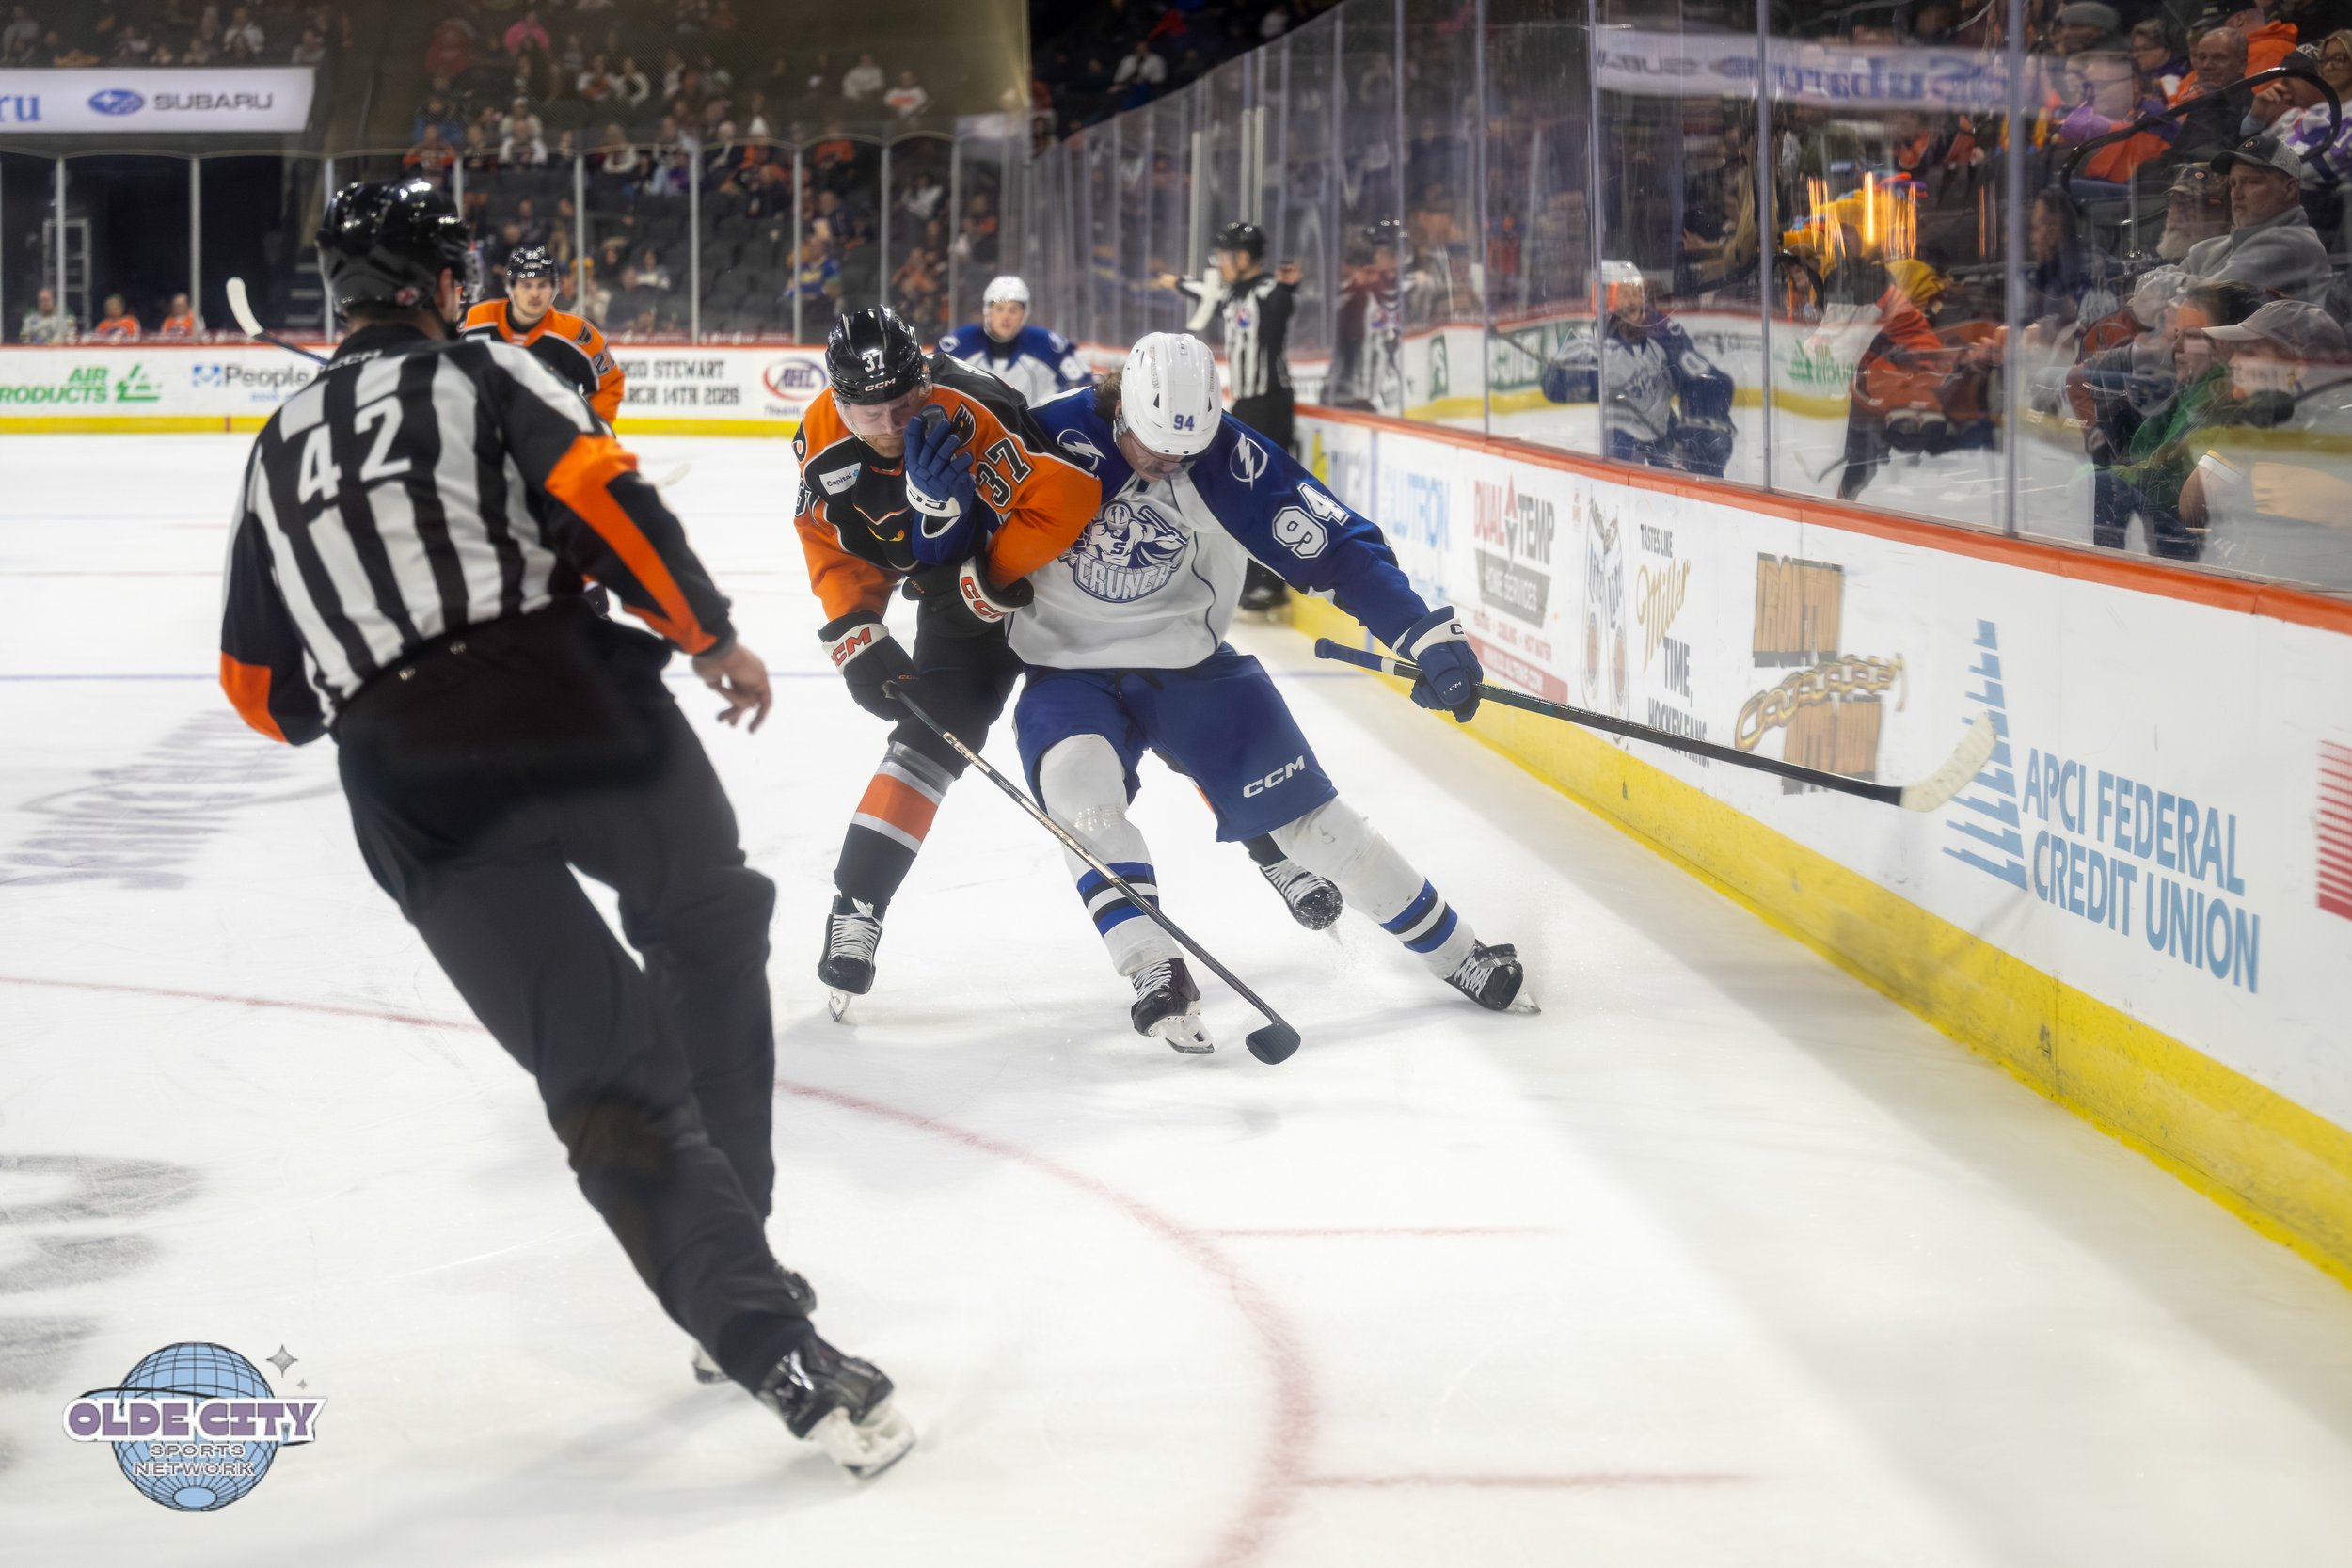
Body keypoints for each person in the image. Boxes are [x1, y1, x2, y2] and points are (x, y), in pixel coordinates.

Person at [215, 178, 913, 1477]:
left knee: (600, 1073)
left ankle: (766, 1339)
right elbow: (606, 502)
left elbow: (263, 696)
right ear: (441, 281)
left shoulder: (275, 450)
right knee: (706, 920)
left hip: (410, 782)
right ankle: (743, 1246)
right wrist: (707, 631)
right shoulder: (488, 372)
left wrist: (376, 676)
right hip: (569, 700)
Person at [794, 308, 1342, 1013]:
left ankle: (1277, 856)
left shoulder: (971, 413)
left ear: (922, 376)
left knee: (1169, 707)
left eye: (906, 403)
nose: (893, 423)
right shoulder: (819, 436)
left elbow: (1068, 501)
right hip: (958, 608)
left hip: (1056, 585)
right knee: (929, 735)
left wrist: (988, 574)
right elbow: (825, 535)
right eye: (872, 412)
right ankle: (857, 905)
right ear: (840, 399)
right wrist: (854, 625)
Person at [1012, 333, 1531, 1052]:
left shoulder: (1229, 456)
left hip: (1187, 664)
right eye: (1153, 450)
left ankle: (1460, 953)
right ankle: (1152, 968)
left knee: (1317, 826)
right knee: (1080, 794)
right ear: (1119, 409)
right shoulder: (1045, 435)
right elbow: (945, 537)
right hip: (1065, 670)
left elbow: (1339, 546)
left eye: (1181, 456)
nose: (1167, 466)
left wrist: (1420, 634)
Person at [1156, 221, 1304, 610]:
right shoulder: (1231, 293)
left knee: (1268, 493)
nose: (1220, 263)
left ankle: (1270, 582)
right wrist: (1176, 283)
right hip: (1246, 403)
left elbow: (1280, 308)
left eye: (1224, 256)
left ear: (1242, 257)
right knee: (1239, 488)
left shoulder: (1270, 290)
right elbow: (1204, 291)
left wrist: (1289, 287)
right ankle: (1249, 576)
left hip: (1270, 402)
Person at [1538, 261, 1738, 478]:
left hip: (1659, 430)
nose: (1632, 301)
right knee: (1617, 473)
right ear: (1605, 298)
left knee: (1675, 477)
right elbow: (1553, 386)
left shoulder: (1662, 331)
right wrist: (1591, 380)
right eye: (1623, 293)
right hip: (1622, 433)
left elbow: (1702, 378)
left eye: (1636, 292)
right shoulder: (1590, 341)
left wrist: (1704, 423)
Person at [460, 247, 626, 426]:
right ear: (511, 288)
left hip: (549, 441)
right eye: (526, 285)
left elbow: (609, 383)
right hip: (487, 437)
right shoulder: (476, 319)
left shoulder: (574, 333)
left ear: (554, 289)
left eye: (543, 285)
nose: (535, 294)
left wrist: (595, 428)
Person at [2181, 135, 2334, 301]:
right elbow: (2148, 284)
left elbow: (2202, 300)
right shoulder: (2209, 249)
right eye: (2233, 184)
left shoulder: (2292, 244)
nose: (2237, 194)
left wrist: (2172, 287)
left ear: (2289, 189)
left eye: (2252, 182)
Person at [935, 274, 1093, 406]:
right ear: (987, 310)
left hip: (1036, 439)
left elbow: (1084, 387)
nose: (1006, 316)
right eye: (999, 308)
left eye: (1014, 310)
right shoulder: (958, 344)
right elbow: (930, 388)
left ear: (1025, 313)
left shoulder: (1050, 346)